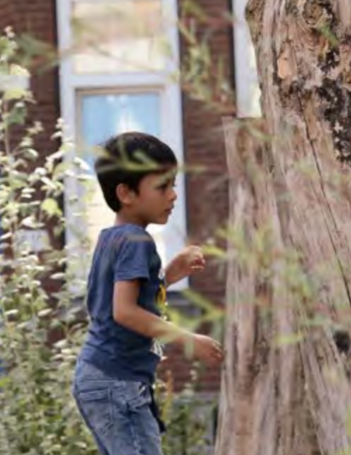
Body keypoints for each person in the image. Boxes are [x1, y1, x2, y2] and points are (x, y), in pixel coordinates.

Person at [72, 131, 224, 455]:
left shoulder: (113, 237)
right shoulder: (136, 241)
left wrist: (169, 274)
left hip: (105, 378)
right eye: (162, 187)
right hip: (116, 381)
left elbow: (130, 299)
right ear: (126, 193)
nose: (173, 196)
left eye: (173, 185)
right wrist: (188, 339)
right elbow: (124, 312)